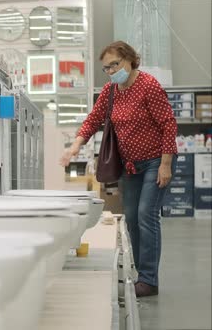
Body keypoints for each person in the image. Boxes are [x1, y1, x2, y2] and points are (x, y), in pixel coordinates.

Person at [60, 41, 178, 297]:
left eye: (114, 65)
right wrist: (75, 146)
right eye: (106, 68)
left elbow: (169, 124)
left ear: (129, 59)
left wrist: (166, 164)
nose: (112, 72)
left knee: (147, 215)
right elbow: (93, 119)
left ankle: (149, 280)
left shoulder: (148, 85)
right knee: (133, 219)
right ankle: (141, 276)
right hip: (130, 166)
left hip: (156, 161)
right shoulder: (110, 91)